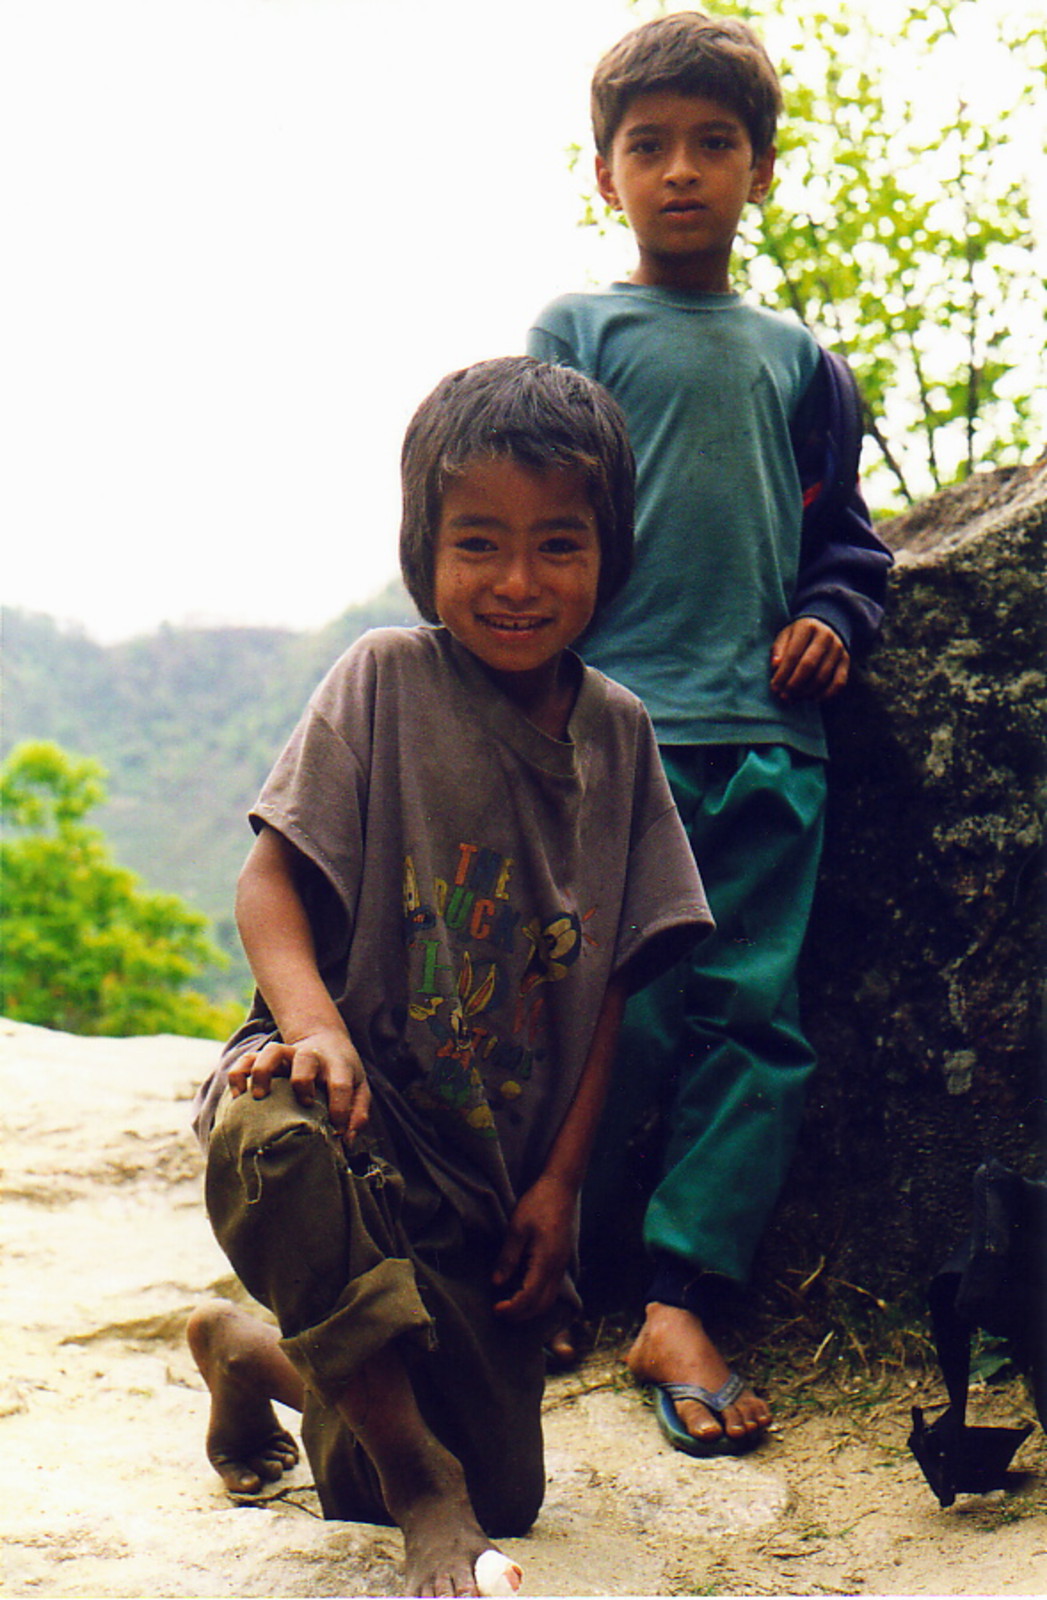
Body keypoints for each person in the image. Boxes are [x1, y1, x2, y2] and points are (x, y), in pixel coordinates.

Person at [186, 354, 712, 1597]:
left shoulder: (622, 739)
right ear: (424, 545)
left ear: (610, 554)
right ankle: (423, 1482)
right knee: (274, 1136)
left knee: (511, 1493)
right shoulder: (385, 681)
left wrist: (561, 1186)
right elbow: (269, 882)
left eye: (558, 545)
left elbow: (620, 990)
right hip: (350, 1120)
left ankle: (250, 1352)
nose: (518, 582)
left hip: (479, 1187)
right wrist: (314, 1026)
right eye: (479, 542)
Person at [527, 12, 892, 1457]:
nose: (679, 171)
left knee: (749, 1019)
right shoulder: (577, 333)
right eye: (646, 146)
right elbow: (530, 524)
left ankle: (679, 1296)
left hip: (764, 747)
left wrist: (834, 621)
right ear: (604, 174)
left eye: (712, 144)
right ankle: (547, 1267)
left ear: (759, 168)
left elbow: (848, 546)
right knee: (591, 1014)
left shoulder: (799, 360)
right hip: (602, 744)